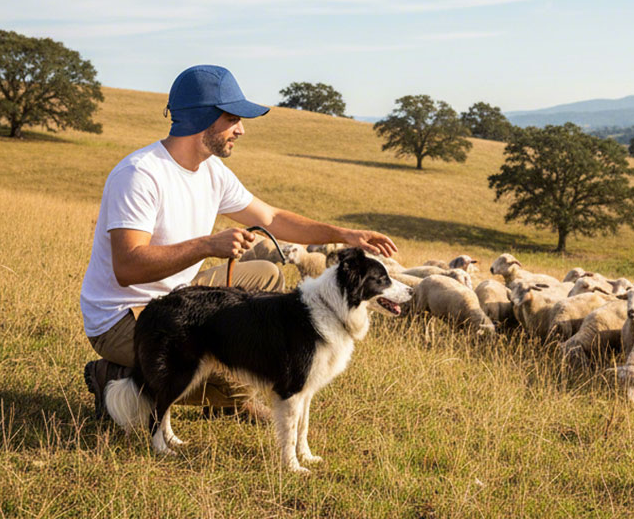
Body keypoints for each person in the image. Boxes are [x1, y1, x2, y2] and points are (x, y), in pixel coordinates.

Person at [80, 65, 398, 421]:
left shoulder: (212, 172)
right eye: (233, 118)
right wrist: (206, 245)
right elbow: (128, 267)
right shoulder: (140, 174)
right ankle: (117, 377)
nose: (241, 129)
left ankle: (221, 396)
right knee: (242, 366)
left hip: (175, 301)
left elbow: (272, 218)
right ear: (204, 117)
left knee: (266, 278)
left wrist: (343, 235)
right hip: (123, 317)